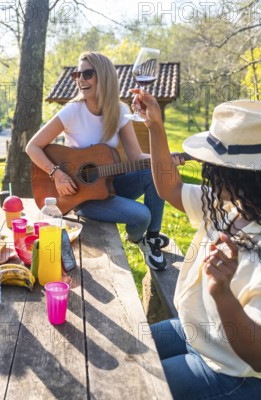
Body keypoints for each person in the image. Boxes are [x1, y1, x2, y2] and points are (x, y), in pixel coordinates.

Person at [134, 93, 261, 399]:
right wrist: (155, 127)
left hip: (233, 374)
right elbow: (170, 186)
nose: (207, 169)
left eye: (215, 165)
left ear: (242, 174)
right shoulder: (232, 206)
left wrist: (221, 292)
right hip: (195, 332)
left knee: (135, 387)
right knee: (128, 350)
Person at [26, 51, 178, 270]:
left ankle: (151, 238)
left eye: (87, 74)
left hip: (110, 185)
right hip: (82, 197)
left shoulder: (120, 110)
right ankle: (137, 238)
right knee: (142, 215)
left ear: (104, 76)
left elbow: (136, 156)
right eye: (77, 74)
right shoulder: (71, 112)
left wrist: (165, 159)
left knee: (155, 170)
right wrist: (57, 174)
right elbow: (32, 146)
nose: (80, 79)